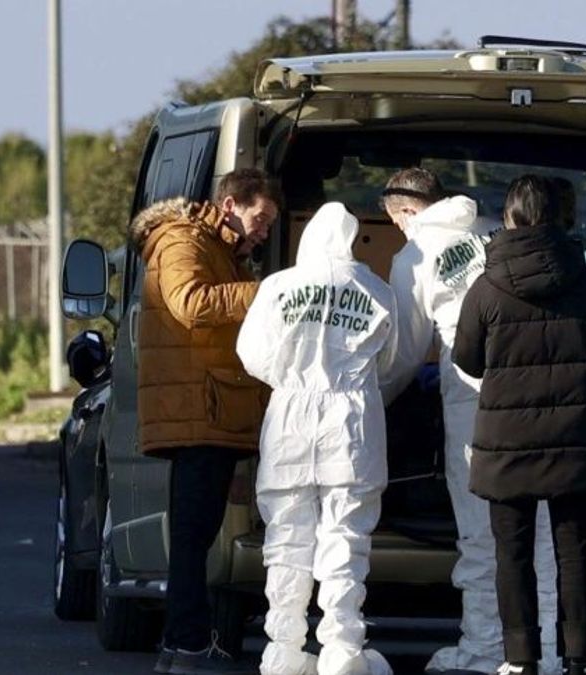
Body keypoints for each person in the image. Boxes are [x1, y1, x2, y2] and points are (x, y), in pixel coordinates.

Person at [377, 168, 561, 675]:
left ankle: (483, 647)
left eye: (396, 223)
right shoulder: (495, 232)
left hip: (474, 401)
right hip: (533, 392)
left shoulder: (415, 256)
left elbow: (406, 352)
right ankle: (544, 653)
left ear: (406, 212)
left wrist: (374, 397)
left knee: (482, 534)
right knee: (539, 533)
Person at [453, 175, 586, 675]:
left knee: (513, 553)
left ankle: (521, 658)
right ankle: (578, 657)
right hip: (574, 436)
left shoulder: (486, 287)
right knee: (574, 551)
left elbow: (468, 358)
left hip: (509, 442)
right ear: (555, 217)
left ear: (510, 217)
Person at [130, 168, 282, 674]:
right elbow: (189, 303)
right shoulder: (181, 240)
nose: (263, 230)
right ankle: (189, 643)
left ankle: (182, 643)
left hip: (208, 406)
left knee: (196, 534)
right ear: (231, 204)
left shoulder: (218, 248)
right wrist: (264, 293)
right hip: (200, 407)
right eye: (259, 218)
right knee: (194, 536)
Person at [237, 202, 397, 675]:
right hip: (351, 422)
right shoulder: (376, 289)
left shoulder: (278, 287)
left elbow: (251, 355)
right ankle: (342, 651)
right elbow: (389, 361)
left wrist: (291, 377)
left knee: (286, 538)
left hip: (290, 417)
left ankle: (284, 649)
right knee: (346, 537)